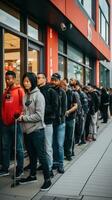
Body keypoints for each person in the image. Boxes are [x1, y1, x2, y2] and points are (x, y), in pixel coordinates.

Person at [18, 72, 51, 191]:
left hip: (37, 131)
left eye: (27, 81)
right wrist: (21, 115)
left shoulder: (39, 96)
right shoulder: (25, 96)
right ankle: (32, 176)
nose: (25, 83)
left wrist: (24, 118)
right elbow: (26, 111)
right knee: (31, 156)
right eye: (24, 81)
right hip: (27, 131)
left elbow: (39, 116)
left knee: (41, 156)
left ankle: (48, 179)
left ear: (32, 81)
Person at [0, 70, 24, 178]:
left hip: (16, 123)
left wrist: (19, 116)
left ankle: (20, 169)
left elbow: (24, 106)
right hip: (5, 124)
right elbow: (4, 107)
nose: (8, 81)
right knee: (5, 147)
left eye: (10, 79)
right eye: (6, 79)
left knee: (18, 148)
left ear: (14, 79)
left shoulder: (19, 90)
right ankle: (5, 169)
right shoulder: (5, 92)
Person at [37, 73, 58, 177]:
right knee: (39, 147)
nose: (37, 79)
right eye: (36, 78)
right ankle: (43, 165)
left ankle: (49, 168)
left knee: (47, 146)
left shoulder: (51, 91)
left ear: (45, 79)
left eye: (39, 78)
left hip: (47, 122)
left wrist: (41, 110)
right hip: (36, 123)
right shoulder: (35, 91)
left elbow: (55, 107)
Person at [51, 73, 67, 173]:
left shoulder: (62, 92)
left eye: (56, 80)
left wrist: (60, 117)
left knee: (60, 145)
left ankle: (61, 164)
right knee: (53, 144)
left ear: (59, 81)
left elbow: (64, 108)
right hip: (51, 122)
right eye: (52, 79)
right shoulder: (49, 91)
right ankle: (54, 163)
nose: (54, 81)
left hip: (60, 122)